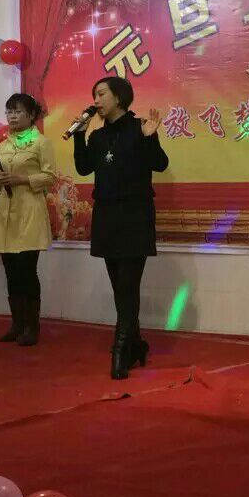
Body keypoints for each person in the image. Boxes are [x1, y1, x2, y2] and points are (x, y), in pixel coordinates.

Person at [73, 76, 169, 380]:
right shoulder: (98, 136)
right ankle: (136, 344)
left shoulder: (140, 127)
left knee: (128, 286)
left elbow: (160, 164)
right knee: (119, 288)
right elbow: (83, 168)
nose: (96, 100)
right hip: (106, 216)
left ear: (119, 97)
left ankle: (120, 350)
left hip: (135, 216)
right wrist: (79, 134)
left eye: (102, 94)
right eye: (94, 94)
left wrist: (150, 138)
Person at [0, 93, 56, 346]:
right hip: (6, 212)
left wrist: (22, 179)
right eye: (9, 112)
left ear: (31, 115)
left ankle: (32, 326)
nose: (12, 116)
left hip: (29, 211)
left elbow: (50, 177)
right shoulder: (4, 144)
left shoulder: (41, 143)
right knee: (11, 272)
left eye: (17, 111)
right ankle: (16, 324)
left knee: (27, 271)